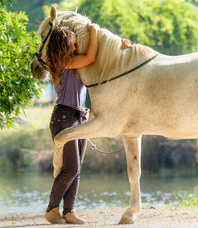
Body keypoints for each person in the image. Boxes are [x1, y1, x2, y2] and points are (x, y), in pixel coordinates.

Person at [43, 24, 132, 225]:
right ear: (64, 45)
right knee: (71, 168)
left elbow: (98, 60)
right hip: (64, 117)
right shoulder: (62, 61)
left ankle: (69, 211)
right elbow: (91, 57)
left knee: (76, 168)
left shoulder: (75, 62)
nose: (75, 48)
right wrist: (93, 32)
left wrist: (120, 47)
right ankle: (51, 209)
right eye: (73, 44)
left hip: (80, 116)